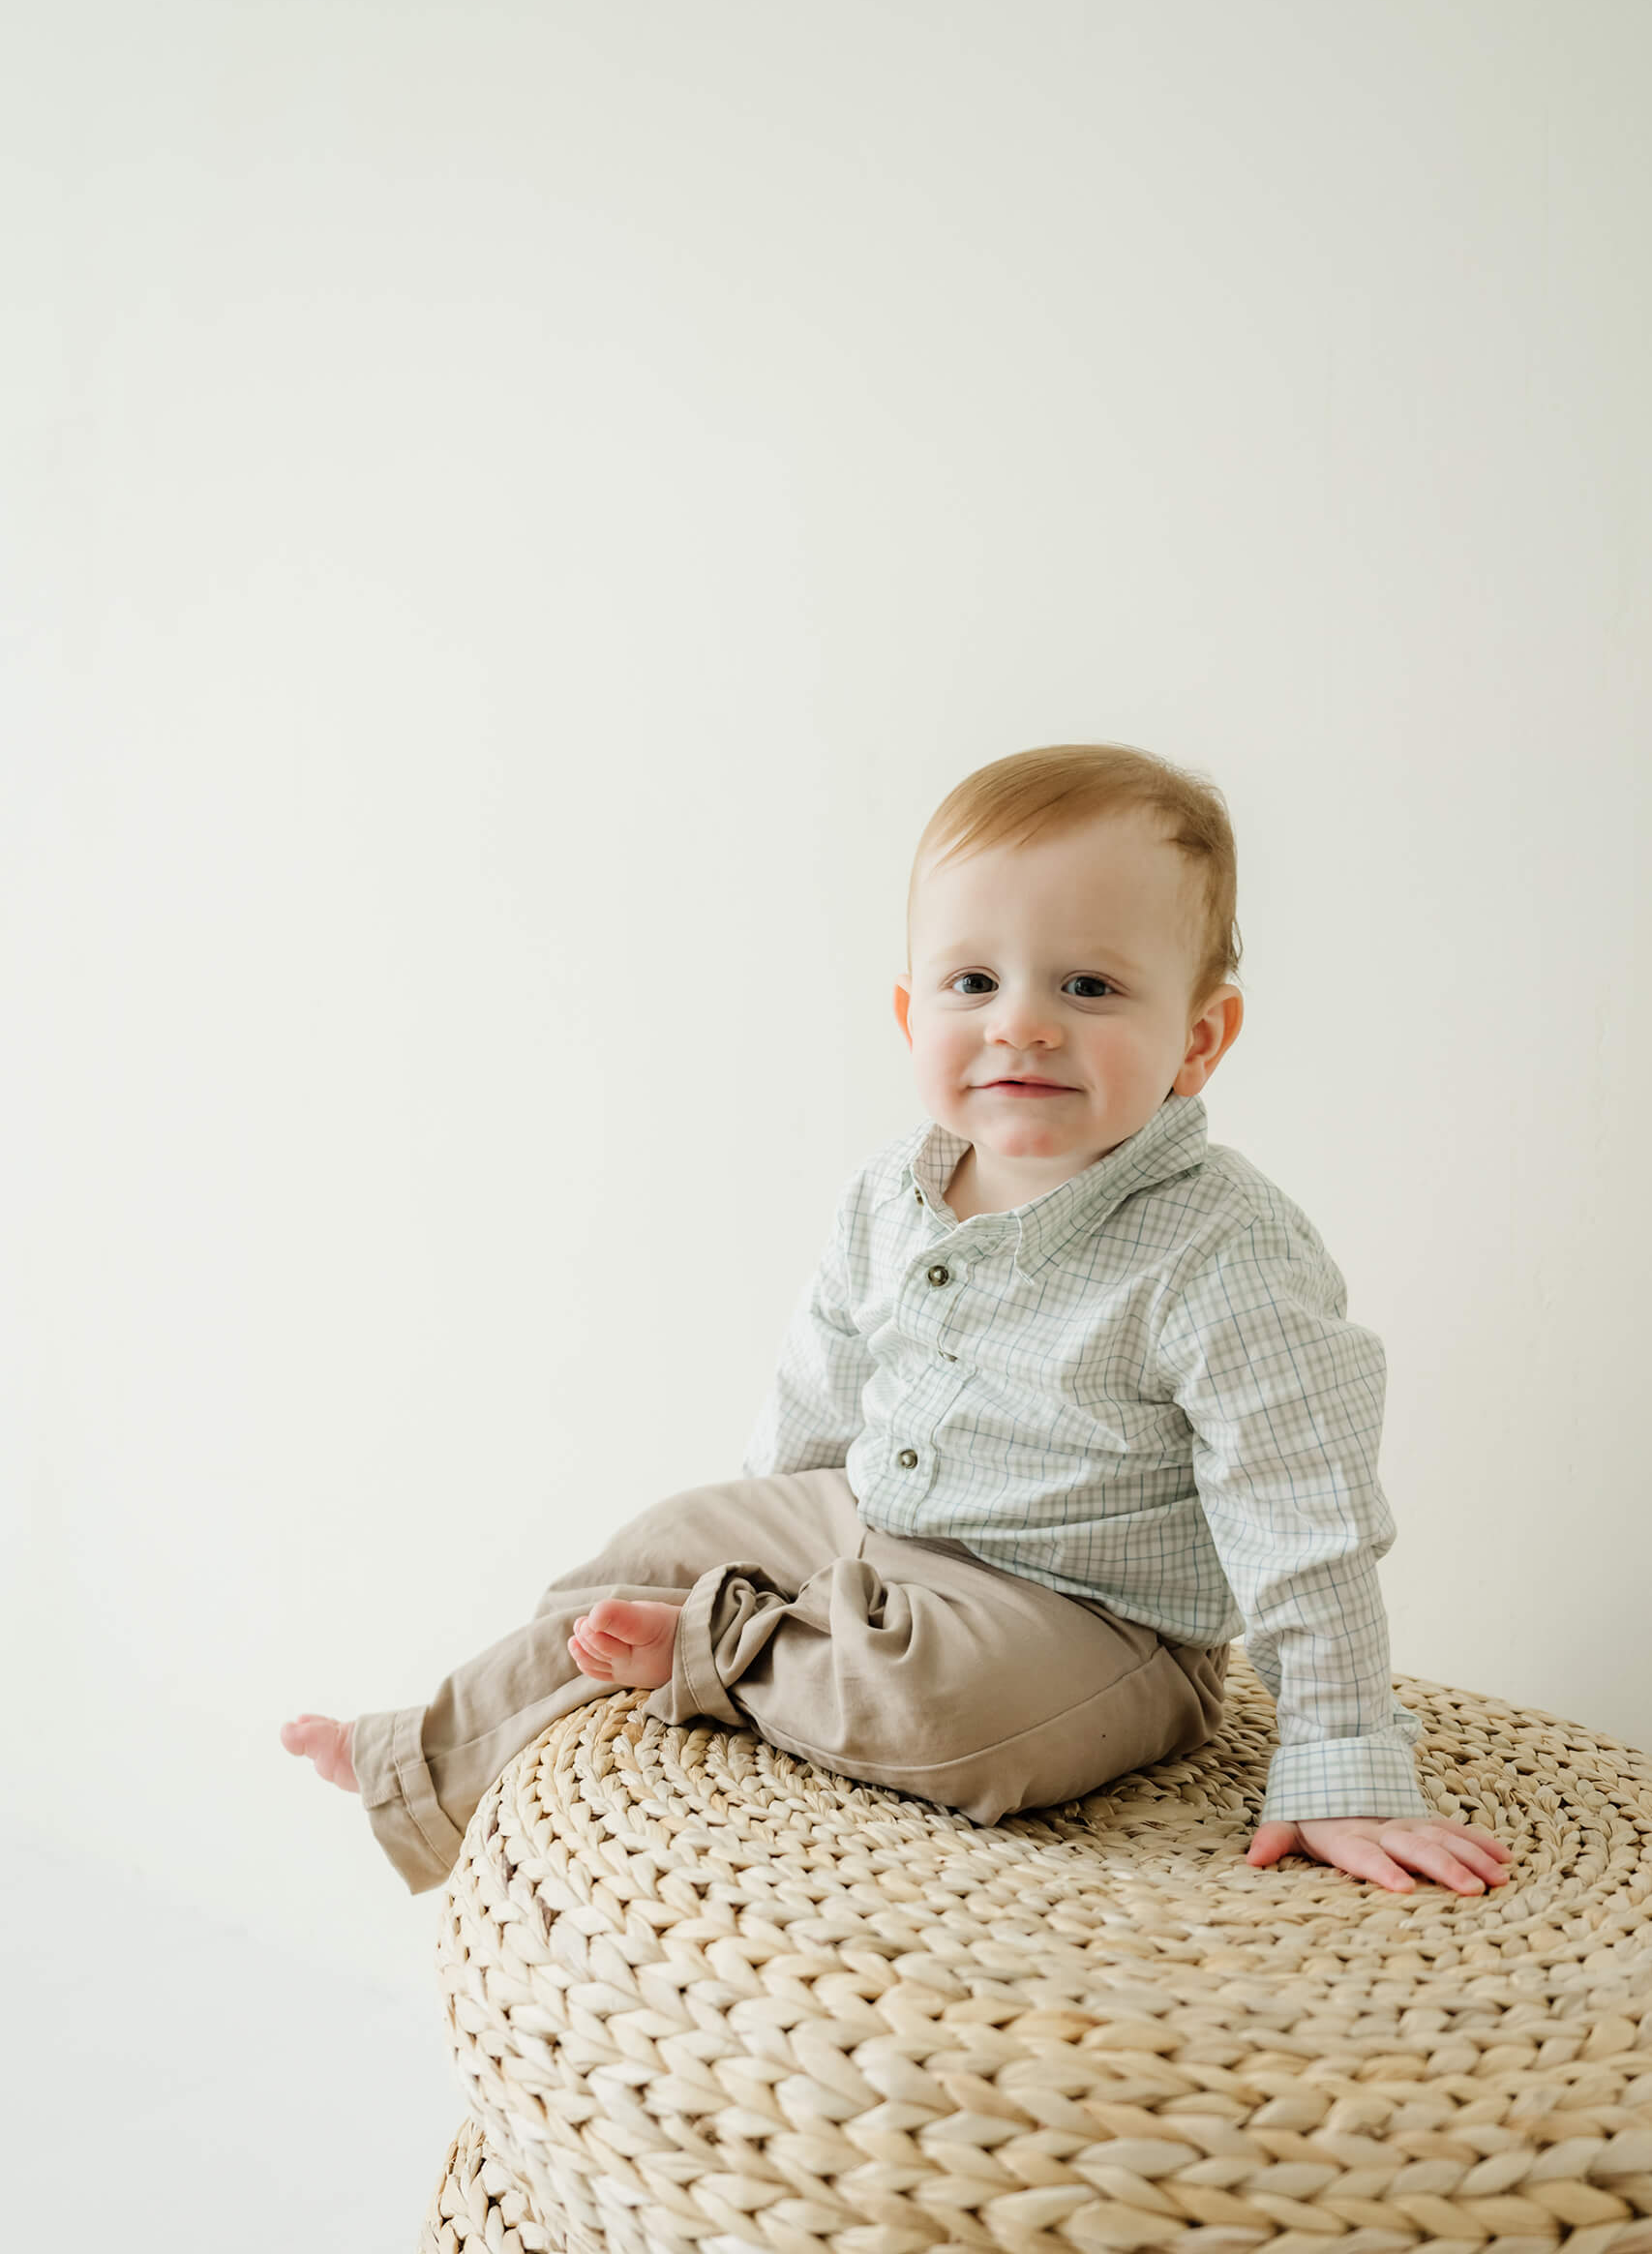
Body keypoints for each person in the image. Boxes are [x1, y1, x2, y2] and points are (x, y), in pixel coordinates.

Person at [283, 740, 1512, 1905]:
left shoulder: (1224, 1248)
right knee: (661, 1533)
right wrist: (764, 1538)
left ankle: (726, 1651)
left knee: (952, 1719)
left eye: (1088, 985)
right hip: (868, 1521)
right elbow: (821, 1388)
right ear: (909, 1013)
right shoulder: (892, 1189)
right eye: (973, 981)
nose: (1021, 1021)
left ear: (1199, 1038)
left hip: (1081, 1620)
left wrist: (1342, 1756)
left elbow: (1305, 1515)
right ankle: (425, 1759)